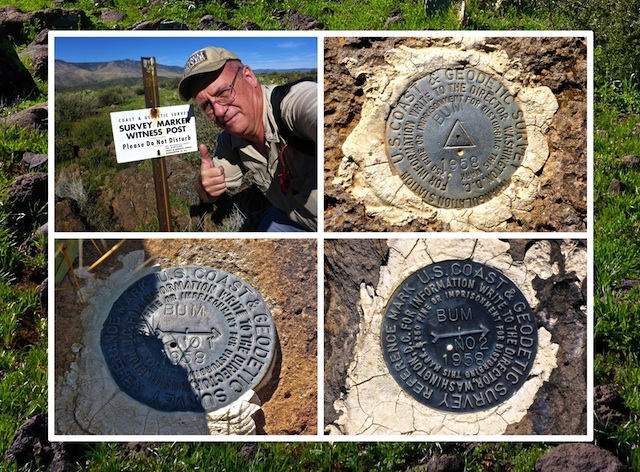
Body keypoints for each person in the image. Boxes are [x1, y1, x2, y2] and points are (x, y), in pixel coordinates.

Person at [178, 46, 317, 232]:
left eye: (223, 93)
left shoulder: (291, 105)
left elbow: (315, 107)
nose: (218, 111)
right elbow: (209, 191)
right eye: (207, 106)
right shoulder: (230, 141)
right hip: (290, 218)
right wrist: (204, 187)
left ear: (249, 77)